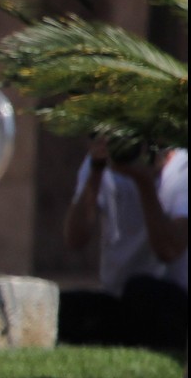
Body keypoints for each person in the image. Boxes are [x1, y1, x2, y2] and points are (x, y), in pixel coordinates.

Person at [61, 138, 188, 345]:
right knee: (67, 309)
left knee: (141, 291)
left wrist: (144, 182)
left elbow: (169, 249)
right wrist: (95, 171)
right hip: (118, 297)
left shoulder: (183, 168)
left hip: (173, 301)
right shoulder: (104, 162)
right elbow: (74, 239)